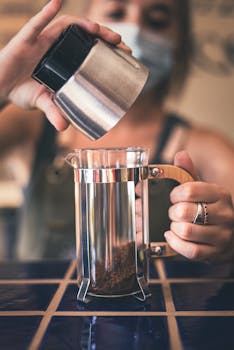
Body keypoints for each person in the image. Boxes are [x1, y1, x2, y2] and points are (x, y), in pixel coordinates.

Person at [0, 0, 233, 262]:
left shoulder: (208, 149)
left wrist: (227, 239)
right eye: (116, 13)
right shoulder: (30, 123)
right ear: (87, 24)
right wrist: (2, 82)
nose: (135, 26)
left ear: (181, 40)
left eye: (157, 20)